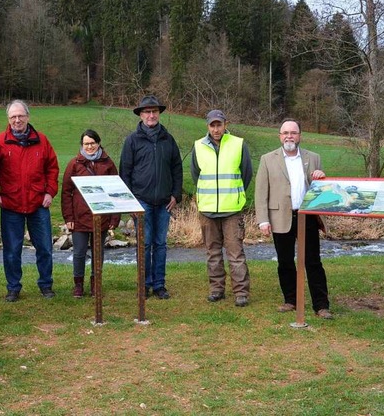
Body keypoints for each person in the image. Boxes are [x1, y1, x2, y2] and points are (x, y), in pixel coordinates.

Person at [254, 118, 333, 319]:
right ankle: (291, 300)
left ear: (300, 136)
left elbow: (320, 191)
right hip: (280, 216)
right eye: (285, 133)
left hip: (307, 216)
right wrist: (263, 219)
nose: (289, 136)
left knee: (313, 261)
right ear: (280, 136)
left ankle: (321, 305)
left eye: (293, 132)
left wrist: (322, 177)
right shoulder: (267, 159)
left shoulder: (313, 157)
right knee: (285, 261)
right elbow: (261, 191)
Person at [0, 100, 59, 302]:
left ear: (28, 116)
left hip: (38, 204)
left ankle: (46, 285)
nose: (17, 120)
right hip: (11, 205)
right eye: (13, 117)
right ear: (8, 119)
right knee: (12, 250)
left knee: (45, 247)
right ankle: (13, 288)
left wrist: (50, 192)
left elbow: (52, 169)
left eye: (20, 116)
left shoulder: (42, 141)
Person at [119, 95, 183, 299]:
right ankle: (144, 284)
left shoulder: (168, 139)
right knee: (144, 244)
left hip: (165, 202)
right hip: (142, 200)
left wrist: (175, 195)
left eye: (154, 111)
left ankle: (159, 285)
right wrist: (130, 201)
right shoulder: (132, 140)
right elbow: (125, 172)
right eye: (147, 111)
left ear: (159, 114)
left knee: (161, 244)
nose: (151, 115)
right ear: (141, 114)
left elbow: (177, 168)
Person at [190, 110, 252, 307]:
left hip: (231, 210)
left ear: (226, 124)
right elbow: (195, 175)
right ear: (207, 126)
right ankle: (217, 289)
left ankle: (241, 292)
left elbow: (246, 174)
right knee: (213, 253)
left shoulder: (238, 144)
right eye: (212, 125)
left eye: (219, 125)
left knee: (235, 253)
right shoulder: (198, 146)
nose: (216, 129)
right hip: (207, 210)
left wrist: (235, 195)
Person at [61, 129, 121, 298]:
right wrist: (69, 218)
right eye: (86, 144)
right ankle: (78, 285)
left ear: (98, 143)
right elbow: (66, 192)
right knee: (79, 252)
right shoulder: (74, 164)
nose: (89, 147)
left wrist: (114, 218)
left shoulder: (108, 164)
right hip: (80, 218)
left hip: (101, 217)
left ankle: (96, 283)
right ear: (82, 145)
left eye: (92, 143)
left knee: (98, 252)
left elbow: (116, 190)